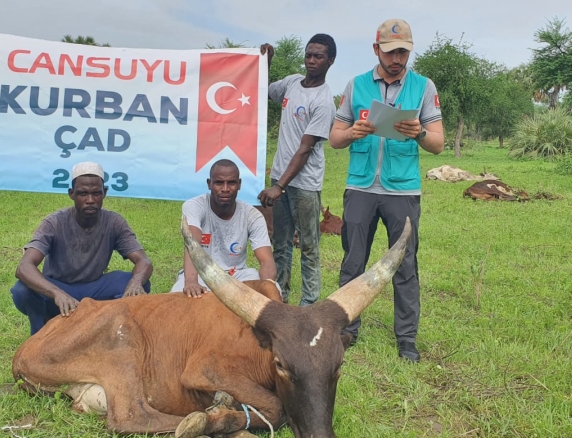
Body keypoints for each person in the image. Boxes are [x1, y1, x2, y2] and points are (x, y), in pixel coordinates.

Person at [328, 19, 444, 362]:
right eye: (391, 52)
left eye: (404, 52)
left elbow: (437, 144)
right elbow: (335, 137)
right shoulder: (356, 85)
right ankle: (346, 329)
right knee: (353, 262)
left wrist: (419, 132)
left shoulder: (423, 87)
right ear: (376, 49)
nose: (397, 59)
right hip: (360, 187)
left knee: (405, 264)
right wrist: (354, 132)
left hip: (402, 191)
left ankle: (406, 339)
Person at [12, 161, 153, 335]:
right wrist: (57, 293)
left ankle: (106, 327)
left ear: (105, 194)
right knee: (22, 290)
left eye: (96, 193)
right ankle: (40, 334)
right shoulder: (54, 222)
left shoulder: (114, 222)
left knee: (139, 283)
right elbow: (24, 267)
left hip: (94, 290)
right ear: (71, 194)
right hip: (59, 288)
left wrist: (136, 282)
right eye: (83, 194)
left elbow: (143, 261)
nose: (90, 200)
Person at [257, 34, 336, 306]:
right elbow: (263, 90)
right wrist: (265, 63)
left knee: (309, 247)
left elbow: (305, 149)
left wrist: (279, 187)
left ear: (330, 61)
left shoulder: (324, 102)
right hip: (279, 177)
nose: (311, 61)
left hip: (304, 186)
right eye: (308, 55)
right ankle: (280, 298)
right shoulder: (291, 83)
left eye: (318, 56)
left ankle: (309, 306)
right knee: (280, 243)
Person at [171, 159, 277, 297]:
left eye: (231, 183)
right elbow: (192, 243)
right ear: (209, 184)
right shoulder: (194, 206)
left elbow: (266, 260)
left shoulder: (252, 215)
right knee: (176, 297)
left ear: (239, 184)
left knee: (275, 290)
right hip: (201, 273)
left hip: (237, 274)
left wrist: (266, 286)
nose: (225, 189)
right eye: (219, 183)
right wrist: (191, 281)